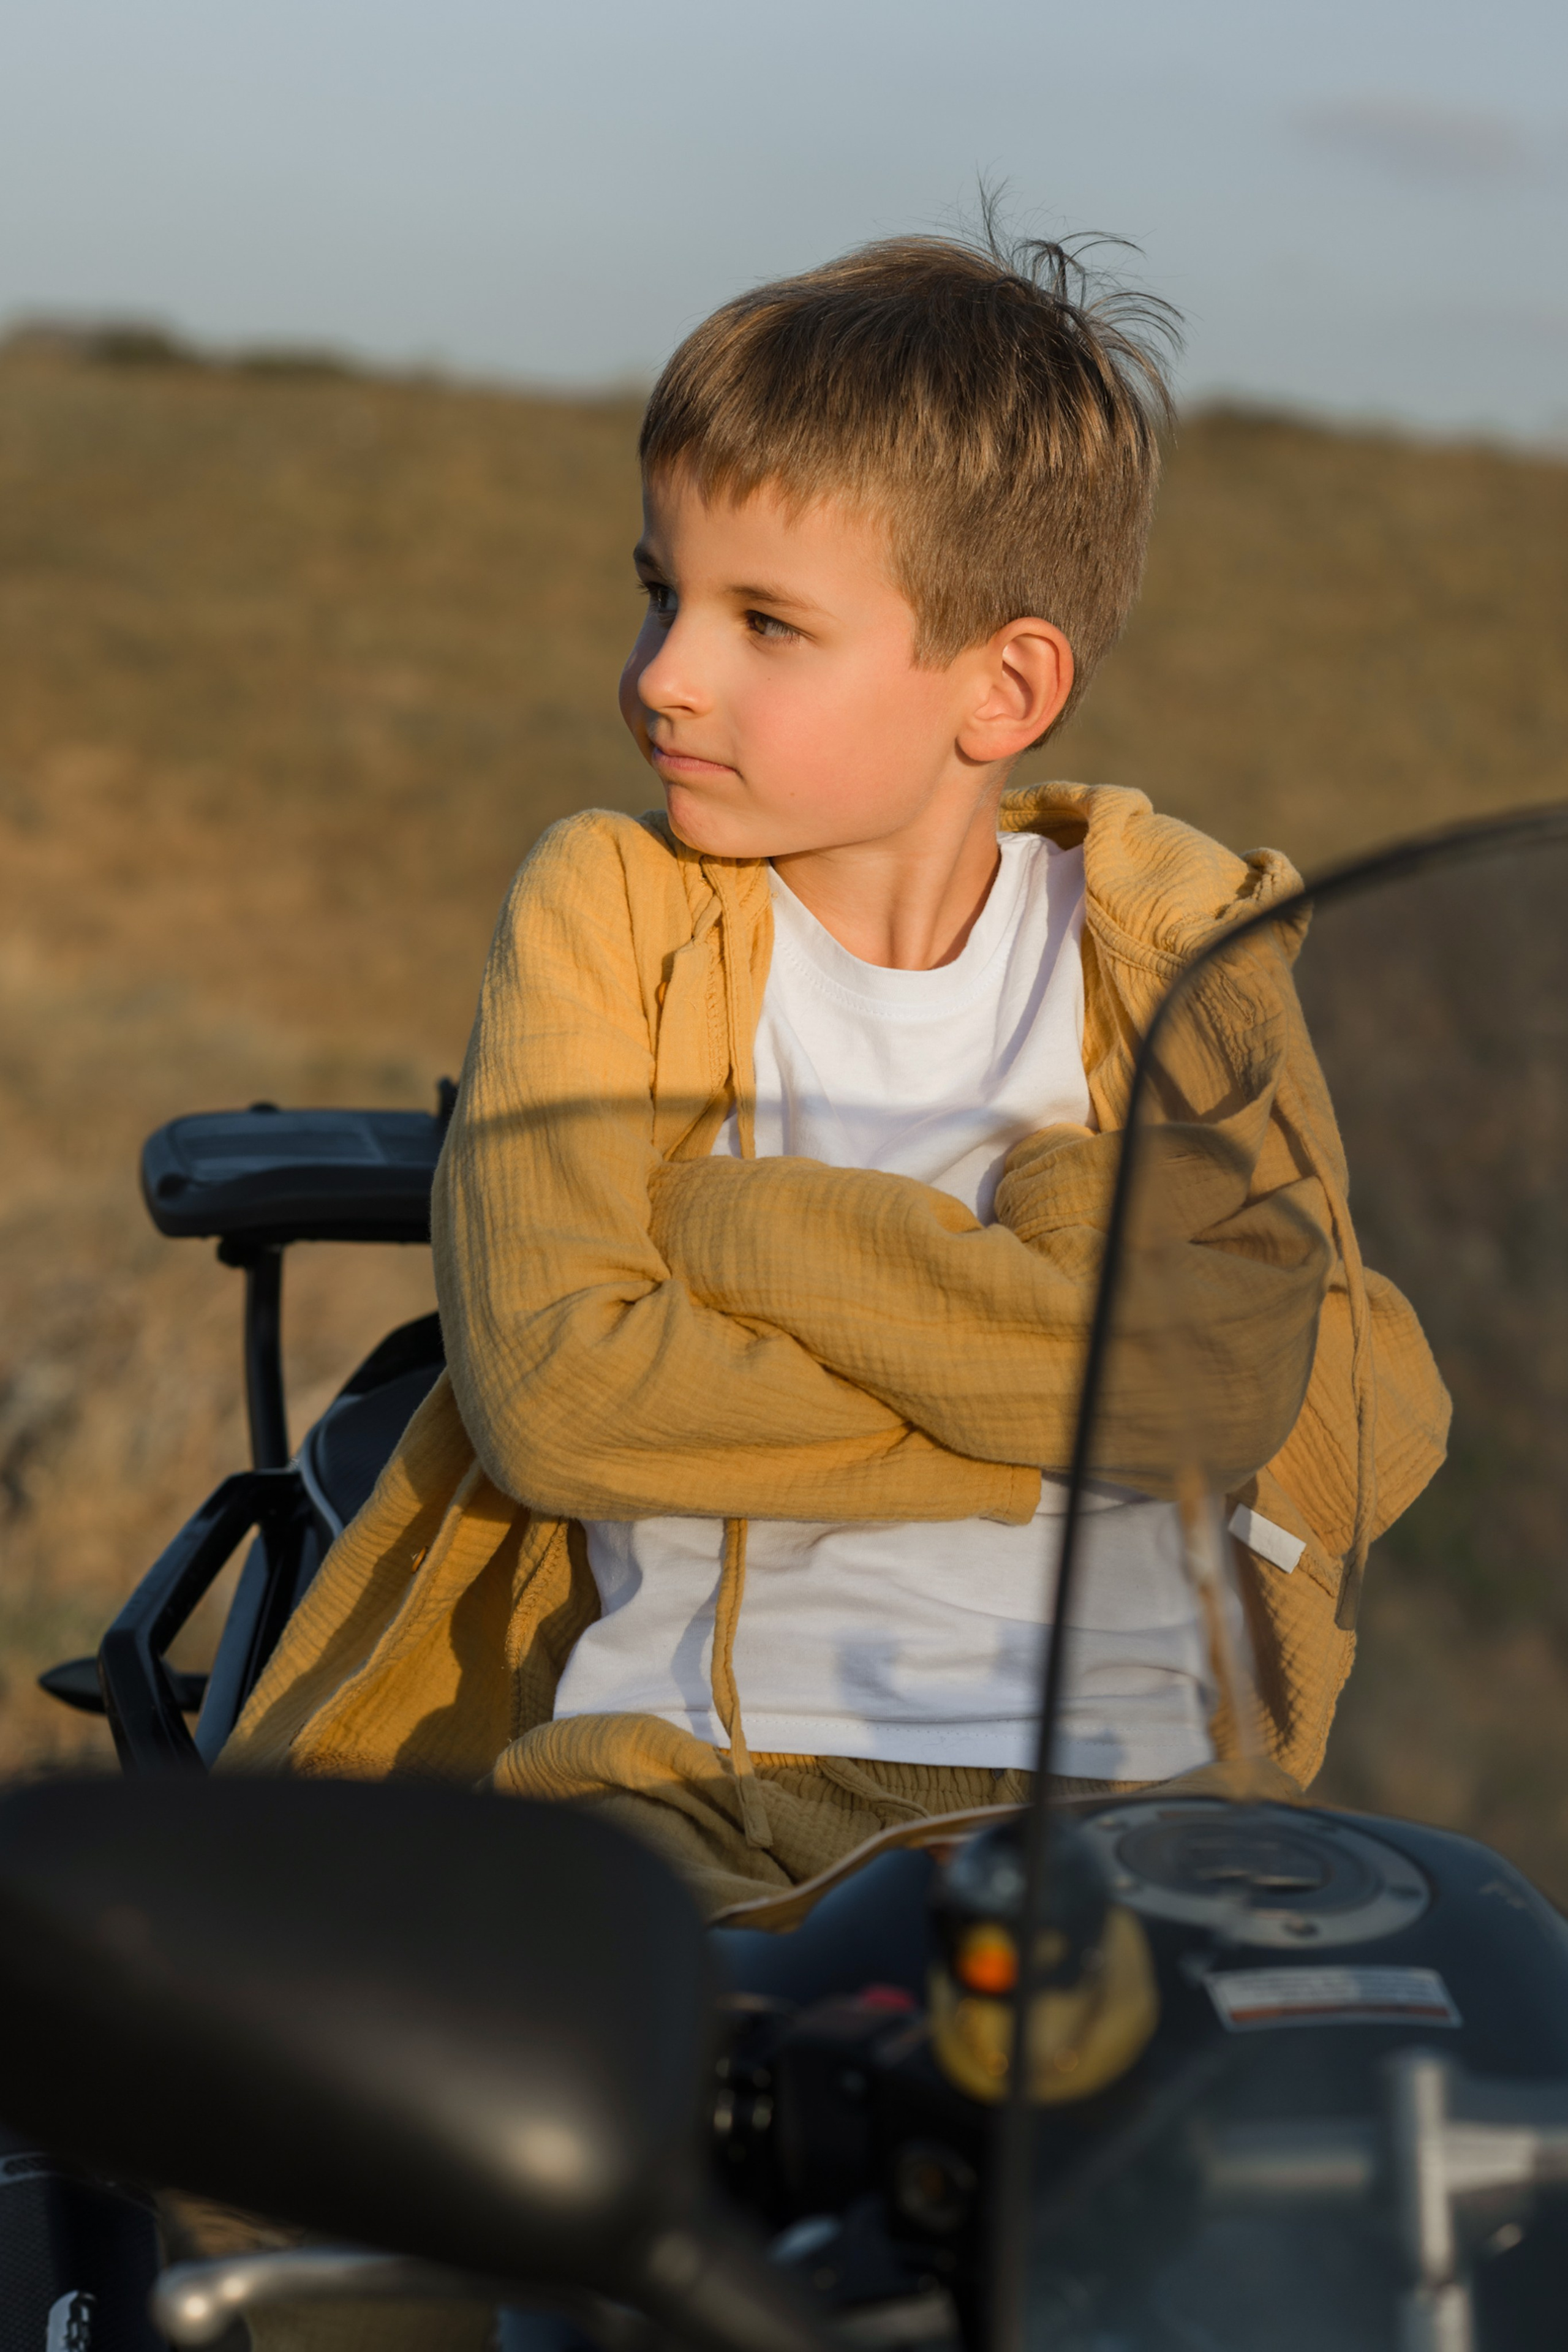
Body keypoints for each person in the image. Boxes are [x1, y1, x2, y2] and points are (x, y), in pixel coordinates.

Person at [222, 225, 1449, 1917]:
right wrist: (1074, 1401)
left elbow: (1302, 1391)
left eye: (764, 622)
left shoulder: (1173, 942)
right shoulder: (613, 906)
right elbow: (568, 1397)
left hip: (1140, 1814)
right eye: (659, 590)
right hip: (700, 1796)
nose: (664, 674)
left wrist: (742, 1234)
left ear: (1002, 685)